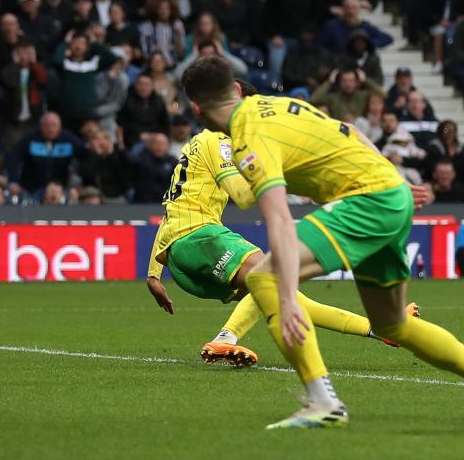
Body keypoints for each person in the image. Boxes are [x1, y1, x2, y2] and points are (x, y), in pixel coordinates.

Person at [181, 56, 464, 429]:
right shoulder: (277, 105)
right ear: (236, 89)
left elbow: (279, 218)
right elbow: (347, 129)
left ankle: (323, 403)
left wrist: (287, 297)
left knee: (265, 278)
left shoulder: (247, 138)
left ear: (196, 109)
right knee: (392, 324)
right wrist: (393, 177)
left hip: (366, 201)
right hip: (391, 194)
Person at [144, 128, 418, 366]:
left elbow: (171, 212)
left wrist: (153, 275)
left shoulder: (195, 144)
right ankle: (225, 339)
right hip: (201, 237)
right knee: (269, 276)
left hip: (180, 253)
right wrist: (285, 177)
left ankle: (379, 329)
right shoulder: (220, 141)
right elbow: (241, 193)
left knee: (284, 296)